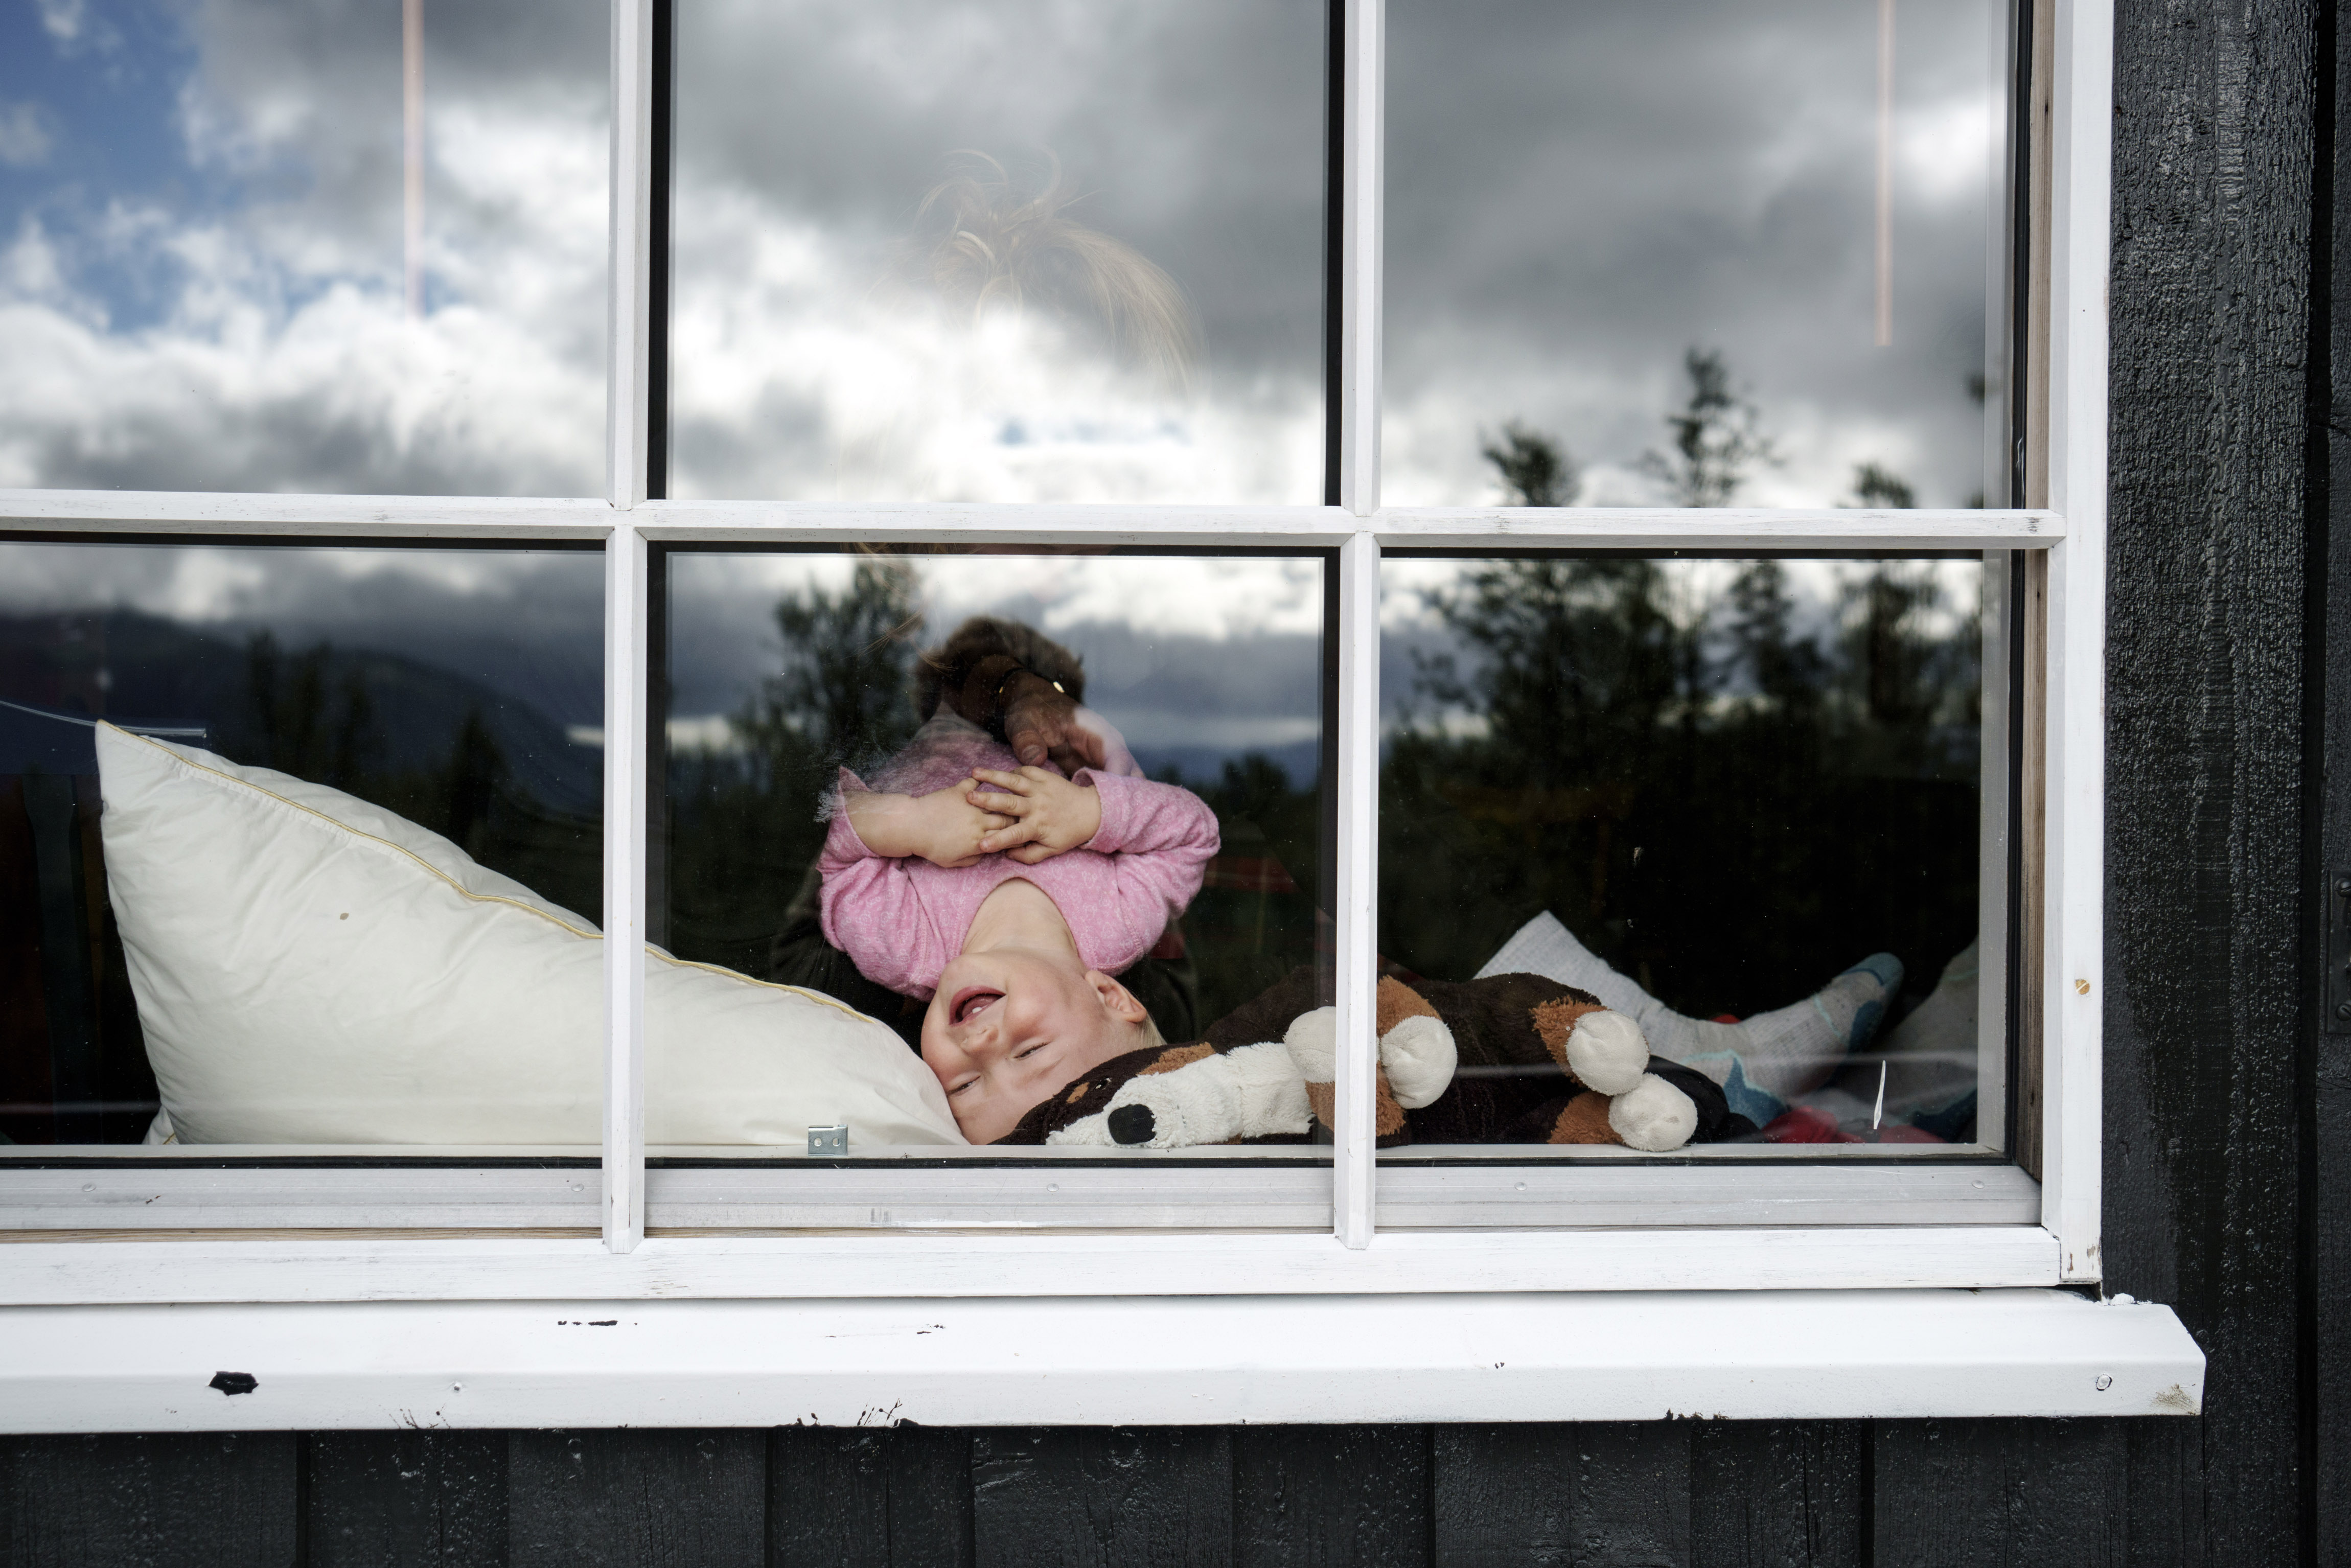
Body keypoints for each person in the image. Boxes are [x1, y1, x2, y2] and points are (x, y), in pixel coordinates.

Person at [815, 617, 1220, 1144]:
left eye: (963, 1085)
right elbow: (1191, 836)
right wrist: (1089, 812)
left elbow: (838, 862)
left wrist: (914, 824)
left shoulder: (905, 946)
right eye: (1029, 1052)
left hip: (901, 704)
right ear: (1109, 996)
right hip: (1038, 725)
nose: (980, 1044)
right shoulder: (1120, 922)